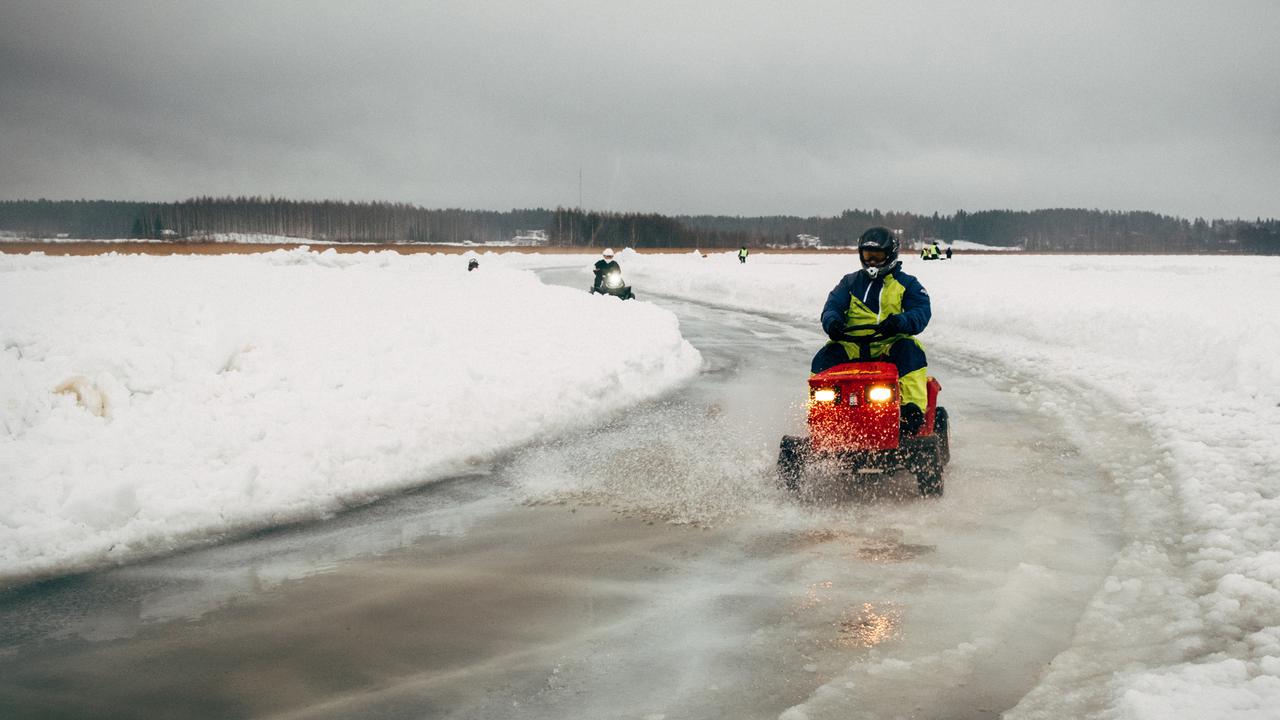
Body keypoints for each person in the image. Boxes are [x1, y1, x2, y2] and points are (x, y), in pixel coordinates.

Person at [812, 226, 932, 434]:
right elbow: (832, 307)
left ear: (890, 255)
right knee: (825, 356)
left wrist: (900, 321)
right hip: (852, 344)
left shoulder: (907, 284)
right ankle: (823, 417)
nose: (872, 263)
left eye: (877, 257)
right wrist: (833, 323)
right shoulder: (849, 283)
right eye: (868, 256)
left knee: (910, 349)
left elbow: (921, 311)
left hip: (888, 345)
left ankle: (911, 412)